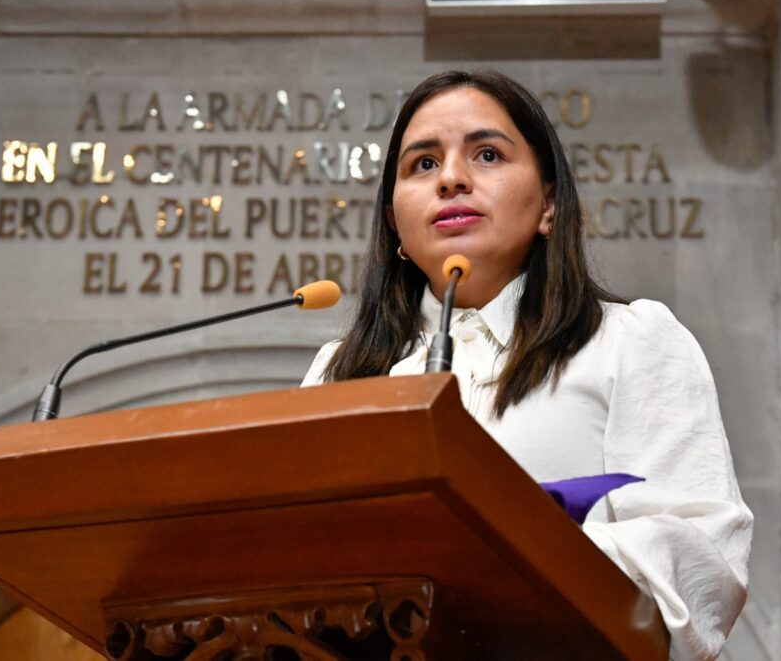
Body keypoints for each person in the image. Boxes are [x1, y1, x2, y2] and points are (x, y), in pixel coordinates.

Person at [301, 70, 753, 661]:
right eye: (422, 164)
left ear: (548, 204)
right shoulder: (340, 374)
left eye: (486, 154)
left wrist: (502, 550)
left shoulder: (627, 340)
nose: (452, 178)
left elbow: (703, 552)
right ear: (395, 229)